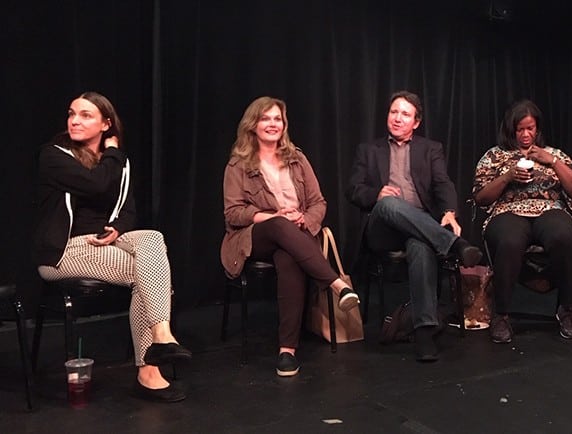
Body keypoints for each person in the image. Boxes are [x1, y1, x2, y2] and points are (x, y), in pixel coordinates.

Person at [34, 92, 192, 402]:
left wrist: (117, 229)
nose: (75, 120)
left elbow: (128, 210)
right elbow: (95, 183)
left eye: (86, 115)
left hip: (106, 242)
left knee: (152, 238)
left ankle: (161, 337)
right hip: (64, 250)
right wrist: (114, 152)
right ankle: (149, 369)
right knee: (149, 275)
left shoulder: (119, 165)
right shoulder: (53, 155)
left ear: (106, 123)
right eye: (71, 114)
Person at [222, 96, 359, 377]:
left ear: (284, 125)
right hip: (255, 237)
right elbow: (233, 213)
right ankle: (336, 285)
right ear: (253, 125)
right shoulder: (238, 165)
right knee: (279, 225)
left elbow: (318, 202)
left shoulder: (297, 159)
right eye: (266, 118)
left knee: (288, 257)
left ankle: (287, 351)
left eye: (277, 119)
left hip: (298, 236)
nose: (273, 124)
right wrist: (273, 217)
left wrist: (305, 219)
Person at [346, 90, 482, 362]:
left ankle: (423, 332)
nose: (397, 119)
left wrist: (450, 213)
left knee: (421, 246)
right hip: (382, 228)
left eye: (405, 114)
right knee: (388, 204)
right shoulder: (369, 150)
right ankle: (454, 245)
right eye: (393, 112)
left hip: (418, 225)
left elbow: (443, 184)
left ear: (416, 122)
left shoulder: (430, 149)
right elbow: (353, 189)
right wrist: (376, 195)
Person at [472, 100, 572, 343]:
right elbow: (481, 198)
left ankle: (567, 309)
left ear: (538, 129)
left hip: (549, 209)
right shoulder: (495, 156)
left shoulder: (554, 154)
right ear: (510, 129)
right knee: (509, 240)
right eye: (520, 129)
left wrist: (552, 162)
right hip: (508, 212)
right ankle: (501, 314)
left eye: (530, 128)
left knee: (562, 235)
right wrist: (508, 176)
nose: (525, 134)